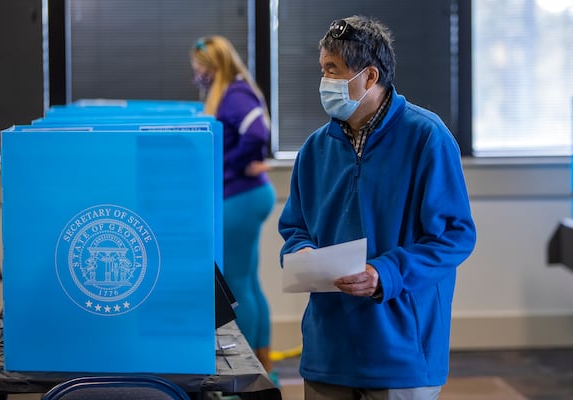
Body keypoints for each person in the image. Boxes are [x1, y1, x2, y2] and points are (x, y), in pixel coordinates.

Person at [278, 15, 477, 400]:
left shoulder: (427, 138)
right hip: (328, 352)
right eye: (323, 69)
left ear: (369, 77)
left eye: (332, 70)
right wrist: (299, 251)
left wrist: (384, 273)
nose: (323, 82)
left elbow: (455, 237)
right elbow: (295, 227)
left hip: (401, 354)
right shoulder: (315, 149)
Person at [190, 36, 277, 374]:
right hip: (246, 195)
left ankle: (248, 371)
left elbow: (257, 133)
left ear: (215, 67)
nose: (196, 73)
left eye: (200, 67)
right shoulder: (230, 91)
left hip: (242, 195)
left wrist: (233, 165)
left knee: (238, 284)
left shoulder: (235, 93)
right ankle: (262, 369)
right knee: (249, 283)